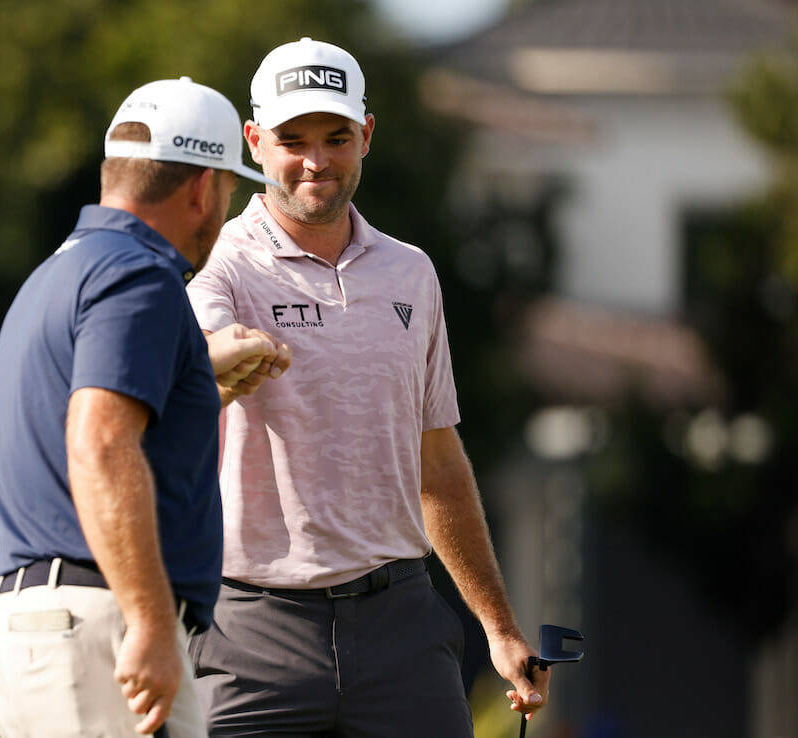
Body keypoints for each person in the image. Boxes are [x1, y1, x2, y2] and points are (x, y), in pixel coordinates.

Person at [186, 38, 549, 737]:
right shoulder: (220, 264)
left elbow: (437, 461)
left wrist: (499, 629)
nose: (316, 160)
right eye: (292, 140)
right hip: (252, 627)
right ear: (254, 141)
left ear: (367, 136)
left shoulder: (412, 275)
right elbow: (199, 355)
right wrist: (227, 352)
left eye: (336, 137)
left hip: (400, 626)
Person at [0, 76, 289, 738]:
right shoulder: (140, 273)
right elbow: (100, 443)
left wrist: (196, 384)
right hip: (101, 624)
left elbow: (91, 417)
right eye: (228, 188)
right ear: (202, 188)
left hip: (33, 627)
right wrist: (148, 620)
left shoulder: (59, 272)